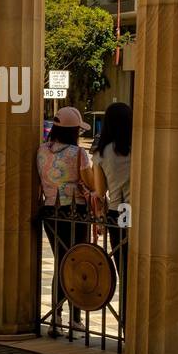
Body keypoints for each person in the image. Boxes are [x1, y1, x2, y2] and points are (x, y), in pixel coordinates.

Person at [36, 107, 93, 330]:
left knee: (62, 260)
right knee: (75, 261)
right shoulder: (79, 153)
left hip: (50, 210)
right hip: (74, 211)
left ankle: (56, 316)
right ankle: (75, 318)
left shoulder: (41, 150)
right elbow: (89, 182)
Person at [91, 101, 131, 329]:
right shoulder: (140, 147)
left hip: (118, 212)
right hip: (139, 213)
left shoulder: (102, 153)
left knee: (123, 269)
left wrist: (99, 219)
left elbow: (99, 192)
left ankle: (125, 320)